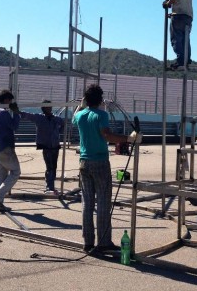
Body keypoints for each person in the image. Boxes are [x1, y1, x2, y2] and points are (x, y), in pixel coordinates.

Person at [72, 84, 142, 253]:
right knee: (103, 202)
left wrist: (81, 105)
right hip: (100, 162)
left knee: (87, 204)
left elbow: (74, 116)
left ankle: (88, 242)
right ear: (101, 100)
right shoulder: (101, 115)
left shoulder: (80, 115)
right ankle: (103, 242)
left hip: (84, 163)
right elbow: (107, 135)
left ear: (86, 100)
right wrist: (128, 138)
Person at [19, 100, 65, 194]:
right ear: (43, 108)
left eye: (50, 107)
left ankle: (51, 185)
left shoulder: (56, 119)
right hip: (46, 146)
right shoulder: (39, 118)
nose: (49, 108)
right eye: (47, 107)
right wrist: (17, 111)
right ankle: (49, 187)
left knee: (54, 166)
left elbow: (63, 123)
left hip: (55, 146)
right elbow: (27, 115)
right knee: (49, 166)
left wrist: (58, 133)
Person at [0, 89, 22, 212]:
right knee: (16, 171)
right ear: (6, 100)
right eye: (10, 101)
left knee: (1, 174)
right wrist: (17, 113)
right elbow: (14, 126)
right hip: (5, 147)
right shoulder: (3, 113)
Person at [162, 0, 193, 70]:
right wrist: (172, 14)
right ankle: (186, 60)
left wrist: (168, 3)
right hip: (188, 17)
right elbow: (182, 5)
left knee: (176, 39)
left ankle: (180, 62)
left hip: (178, 16)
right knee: (185, 40)